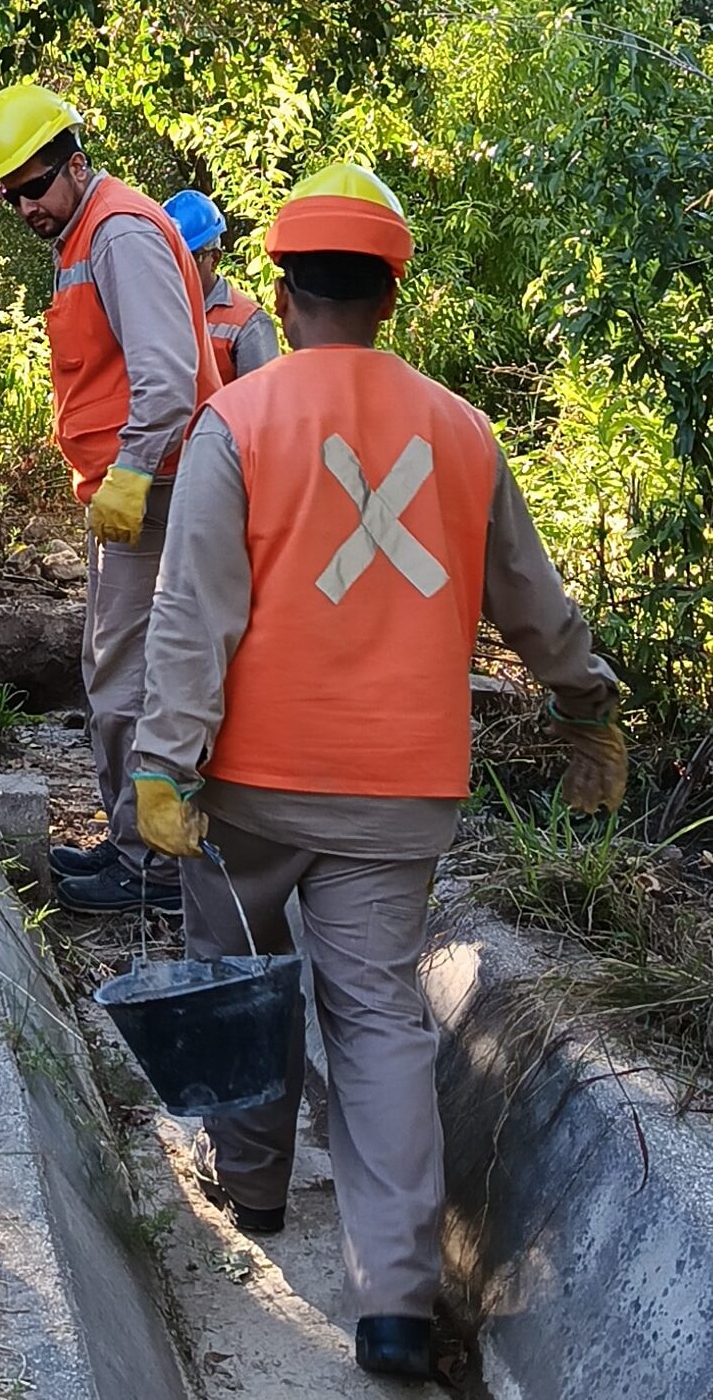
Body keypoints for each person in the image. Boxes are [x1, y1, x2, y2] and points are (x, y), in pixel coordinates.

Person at [130, 163, 626, 1380]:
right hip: (402, 791)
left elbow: (195, 615)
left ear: (286, 292)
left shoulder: (237, 421)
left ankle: (250, 1186)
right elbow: (534, 603)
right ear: (389, 299)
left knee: (241, 976)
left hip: (247, 782)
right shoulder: (463, 430)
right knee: (379, 1023)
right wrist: (588, 708)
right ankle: (398, 1300)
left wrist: (163, 760)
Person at [0, 82, 221, 915]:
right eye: (10, 194)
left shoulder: (118, 233)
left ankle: (148, 872)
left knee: (125, 677)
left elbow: (169, 372)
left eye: (34, 186)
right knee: (113, 666)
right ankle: (131, 847)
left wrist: (131, 472)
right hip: (136, 488)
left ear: (75, 165)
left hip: (159, 488)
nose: (24, 205)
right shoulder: (85, 230)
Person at [163, 189, 281, 381]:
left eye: (186, 259)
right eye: (166, 257)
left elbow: (262, 404)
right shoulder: (153, 309)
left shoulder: (248, 324)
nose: (174, 268)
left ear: (215, 259)